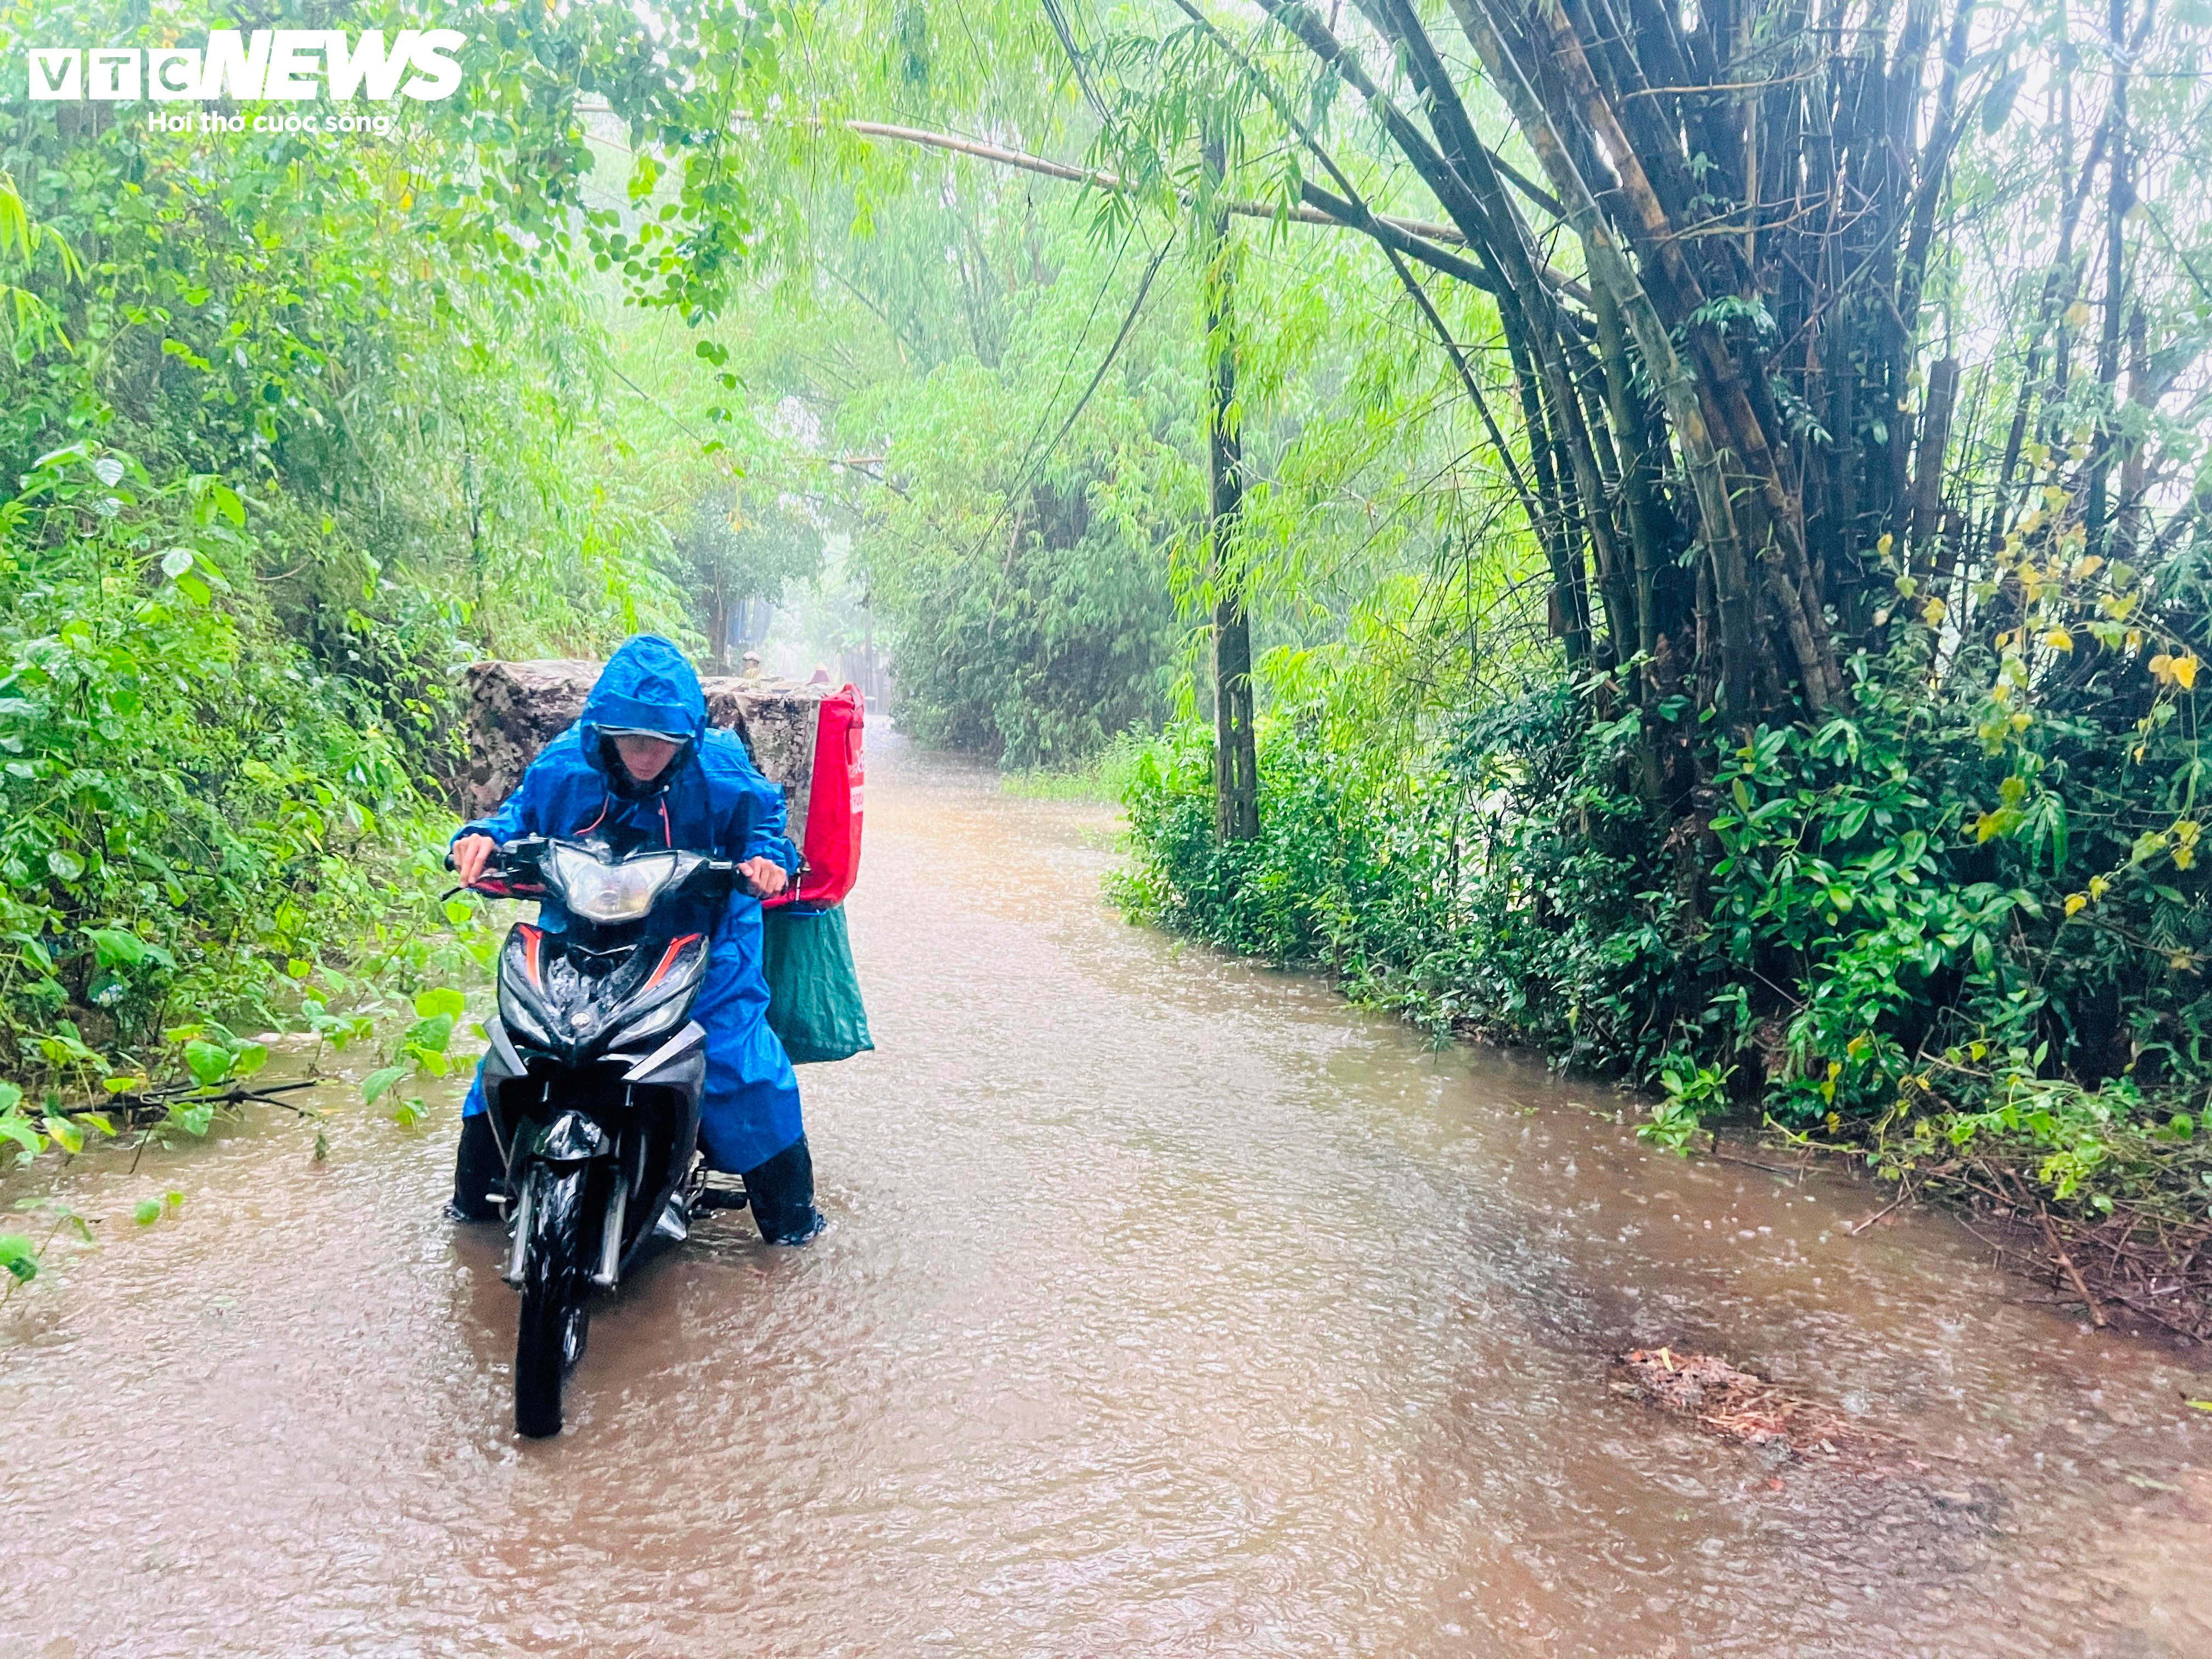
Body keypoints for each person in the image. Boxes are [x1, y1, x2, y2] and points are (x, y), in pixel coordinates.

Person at [445, 635, 825, 1245]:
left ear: (687, 739)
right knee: (518, 1048)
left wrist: (764, 860)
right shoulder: (567, 763)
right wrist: (483, 837)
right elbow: (515, 817)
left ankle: (794, 1226)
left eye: (662, 742)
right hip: (579, 934)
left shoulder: (722, 769)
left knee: (737, 1060)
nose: (645, 755)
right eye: (632, 740)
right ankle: (471, 1205)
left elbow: (765, 825)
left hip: (700, 939)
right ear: (604, 732)